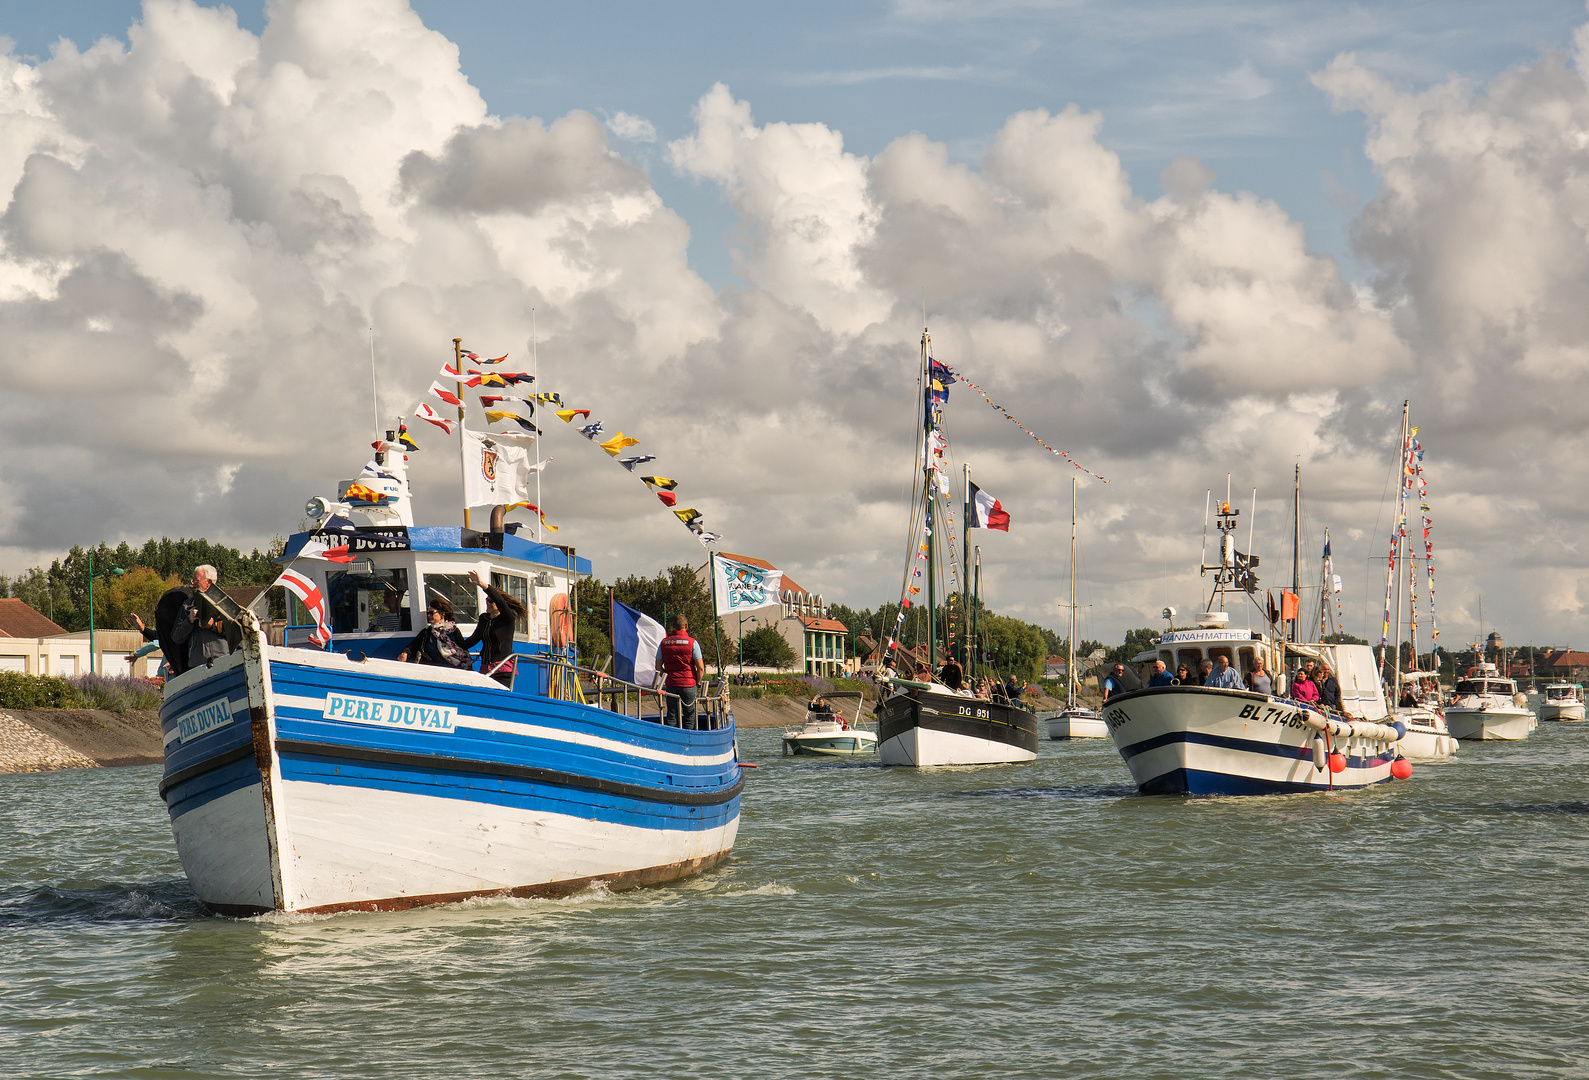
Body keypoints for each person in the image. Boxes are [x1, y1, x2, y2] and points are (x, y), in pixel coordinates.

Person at [463, 569, 525, 687]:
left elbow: (500, 601)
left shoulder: (508, 619)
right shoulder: (484, 619)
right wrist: (453, 646)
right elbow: (473, 639)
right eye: (486, 600)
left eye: (491, 601)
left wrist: (483, 585)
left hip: (502, 670)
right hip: (486, 668)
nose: (487, 602)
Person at [170, 565, 231, 669]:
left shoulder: (224, 604)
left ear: (209, 582)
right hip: (197, 666)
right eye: (192, 580)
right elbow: (176, 638)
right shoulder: (187, 605)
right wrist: (189, 621)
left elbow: (235, 632)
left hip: (223, 662)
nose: (192, 583)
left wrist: (213, 626)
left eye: (196, 580)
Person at [654, 613, 706, 728]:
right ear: (686, 626)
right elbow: (701, 668)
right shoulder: (693, 643)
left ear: (673, 625)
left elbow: (658, 666)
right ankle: (689, 740)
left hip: (671, 684)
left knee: (672, 715)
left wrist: (666, 678)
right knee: (689, 716)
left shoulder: (664, 643)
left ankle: (672, 740)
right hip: (689, 685)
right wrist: (697, 682)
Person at [398, 599, 470, 668]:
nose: (429, 615)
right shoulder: (427, 632)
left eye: (432, 613)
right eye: (428, 613)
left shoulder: (454, 631)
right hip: (432, 670)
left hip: (453, 670)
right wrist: (405, 653)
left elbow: (464, 653)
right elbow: (411, 647)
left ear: (442, 614)